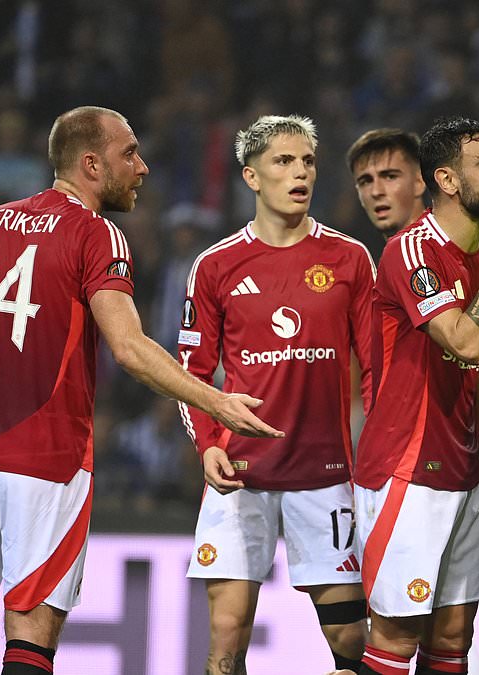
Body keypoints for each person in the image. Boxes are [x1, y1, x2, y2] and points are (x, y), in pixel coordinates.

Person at [0, 106, 281, 675]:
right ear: (91, 164)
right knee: (30, 628)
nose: (142, 168)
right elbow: (128, 346)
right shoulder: (97, 234)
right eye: (130, 155)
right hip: (49, 460)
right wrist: (214, 399)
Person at [179, 115, 375, 675]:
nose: (300, 173)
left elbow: (376, 370)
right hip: (241, 474)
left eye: (308, 161)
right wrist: (208, 445)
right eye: (283, 162)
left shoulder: (349, 259)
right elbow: (190, 370)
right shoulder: (215, 265)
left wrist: (377, 456)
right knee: (226, 636)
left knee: (351, 640)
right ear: (251, 177)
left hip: (326, 474)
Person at [352, 116, 479, 675]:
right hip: (405, 471)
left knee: (453, 637)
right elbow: (467, 344)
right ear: (447, 180)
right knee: (396, 638)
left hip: (462, 472)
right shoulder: (411, 250)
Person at [347, 128, 427, 240]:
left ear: (419, 182)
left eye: (390, 177)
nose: (376, 192)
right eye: (366, 181)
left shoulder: (449, 247)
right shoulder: (369, 253)